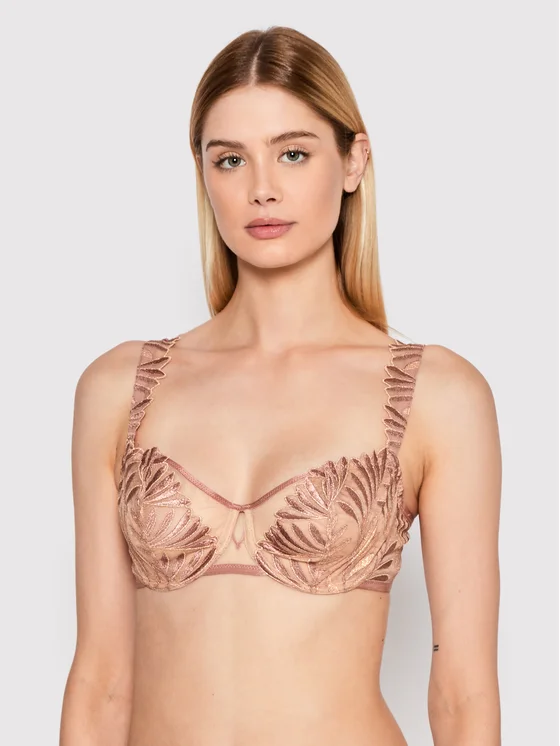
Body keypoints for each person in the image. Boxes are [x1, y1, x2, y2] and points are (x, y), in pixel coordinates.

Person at [59, 25, 502, 746]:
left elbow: (463, 695)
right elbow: (101, 680)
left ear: (353, 160)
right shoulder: (119, 388)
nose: (261, 188)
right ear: (202, 172)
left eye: (293, 153)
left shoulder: (438, 396)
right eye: (230, 159)